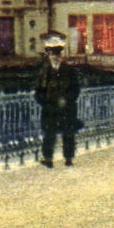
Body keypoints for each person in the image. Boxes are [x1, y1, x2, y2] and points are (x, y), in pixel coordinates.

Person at [33, 32, 81, 168]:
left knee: (68, 133)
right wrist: (45, 103)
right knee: (49, 133)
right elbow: (38, 91)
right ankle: (48, 158)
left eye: (58, 53)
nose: (56, 56)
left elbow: (75, 88)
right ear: (48, 53)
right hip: (50, 107)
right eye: (53, 53)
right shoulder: (43, 71)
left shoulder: (69, 70)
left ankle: (69, 158)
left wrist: (68, 100)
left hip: (67, 107)